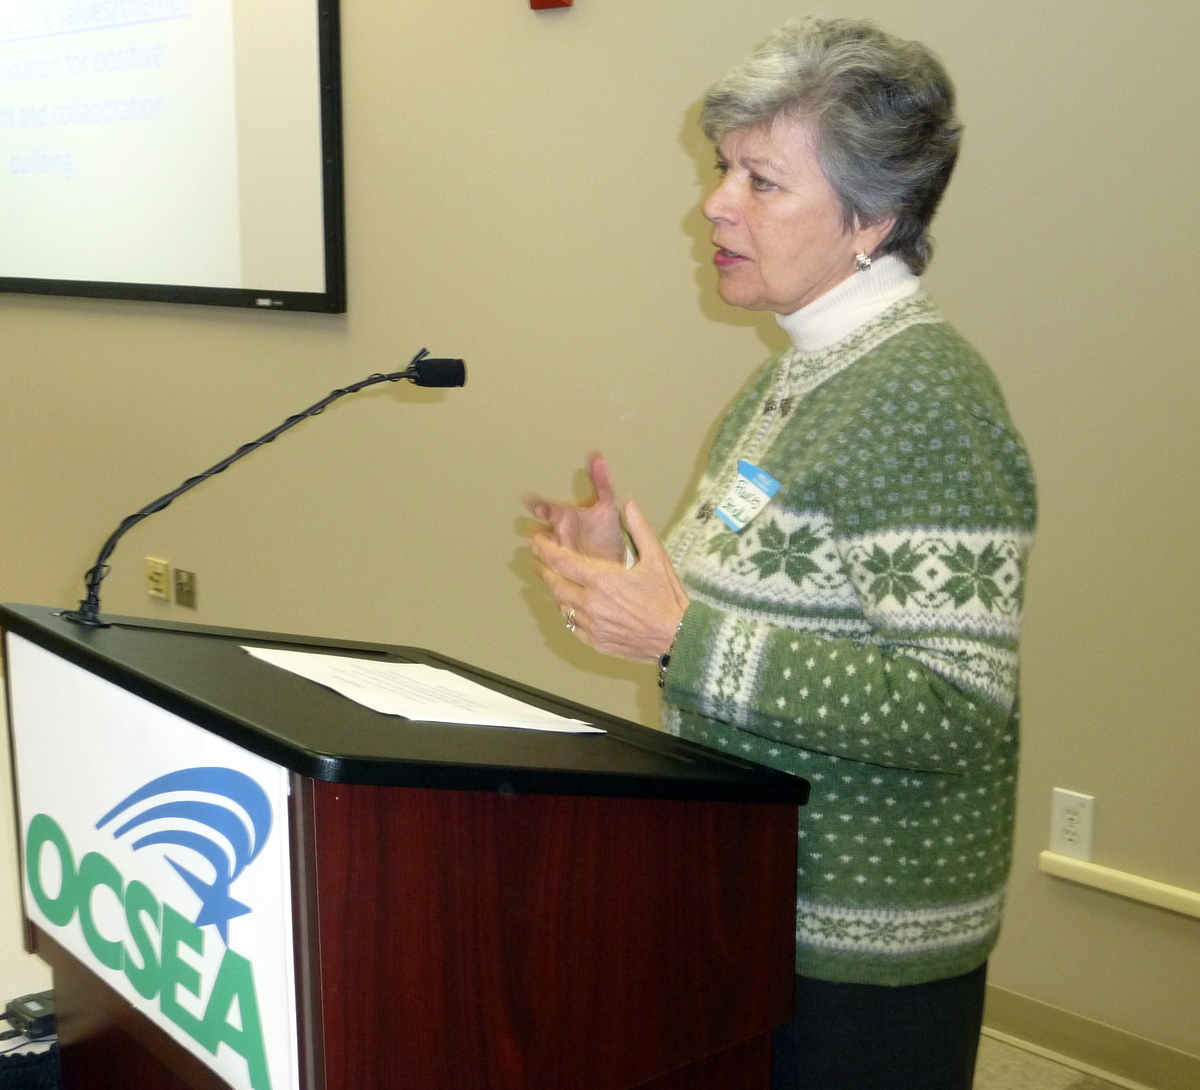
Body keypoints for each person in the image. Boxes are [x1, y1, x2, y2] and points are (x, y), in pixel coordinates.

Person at [525, 16, 1036, 1090]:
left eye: (762, 180)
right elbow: (769, 610)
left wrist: (679, 632)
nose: (714, 203)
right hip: (751, 903)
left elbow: (950, 705)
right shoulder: (797, 374)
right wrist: (620, 576)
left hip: (864, 956)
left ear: (873, 217)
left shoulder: (923, 396)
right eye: (726, 169)